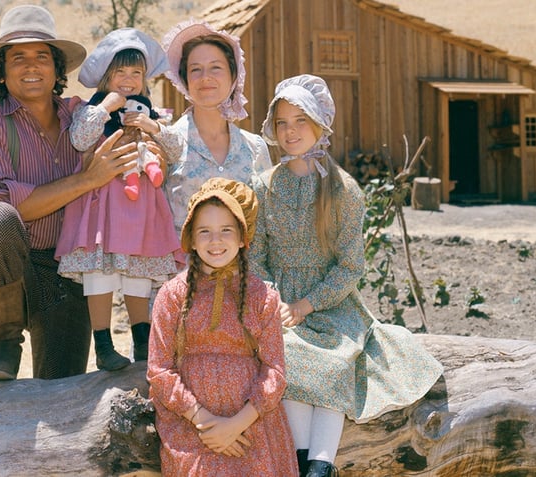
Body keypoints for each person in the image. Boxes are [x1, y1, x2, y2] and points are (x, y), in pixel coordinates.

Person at [250, 74, 444, 477]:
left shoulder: (342, 190)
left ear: (320, 126)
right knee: (289, 356)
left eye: (300, 121)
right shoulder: (264, 187)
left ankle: (320, 466)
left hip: (330, 301)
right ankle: (305, 462)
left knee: (336, 361)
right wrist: (275, 301)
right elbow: (256, 257)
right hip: (279, 303)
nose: (290, 131)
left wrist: (309, 303)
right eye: (282, 122)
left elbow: (351, 266)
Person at [0, 5, 147, 380]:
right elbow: (1, 202)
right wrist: (85, 180)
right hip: (14, 261)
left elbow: (130, 135)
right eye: (18, 58)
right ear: (1, 70)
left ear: (58, 68)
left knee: (61, 392)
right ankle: (4, 341)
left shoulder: (82, 116)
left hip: (69, 269)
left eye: (42, 57)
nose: (31, 67)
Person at [147, 178, 298, 476]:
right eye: (205, 232)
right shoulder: (172, 295)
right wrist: (206, 424)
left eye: (226, 230)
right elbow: (160, 370)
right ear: (191, 237)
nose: (215, 241)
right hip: (191, 424)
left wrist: (236, 425)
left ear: (243, 237)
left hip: (252, 423)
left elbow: (275, 371)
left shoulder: (261, 296)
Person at [54, 28, 181, 371]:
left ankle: (143, 343)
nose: (127, 80)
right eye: (119, 73)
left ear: (144, 78)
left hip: (141, 207)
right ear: (106, 76)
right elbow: (80, 140)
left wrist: (153, 128)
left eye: (135, 73)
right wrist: (108, 104)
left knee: (138, 274)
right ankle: (105, 345)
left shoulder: (151, 112)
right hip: (102, 204)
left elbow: (176, 150)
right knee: (100, 273)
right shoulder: (92, 108)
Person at [159, 20, 273, 235]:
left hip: (244, 267)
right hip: (181, 267)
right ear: (185, 80)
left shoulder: (255, 148)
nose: (205, 77)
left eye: (216, 67)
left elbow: (266, 221)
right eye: (195, 69)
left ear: (233, 77)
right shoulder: (167, 142)